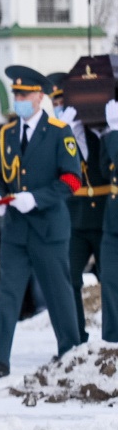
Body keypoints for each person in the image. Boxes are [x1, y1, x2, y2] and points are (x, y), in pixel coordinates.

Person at [0, 65, 86, 376]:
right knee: (9, 292)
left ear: (40, 97)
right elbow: (0, 177)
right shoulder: (6, 134)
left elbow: (72, 180)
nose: (19, 99)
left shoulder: (58, 132)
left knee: (58, 293)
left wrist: (37, 198)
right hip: (15, 229)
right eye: (15, 94)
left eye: (24, 94)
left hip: (48, 228)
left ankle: (70, 353)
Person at [51, 74, 98, 345]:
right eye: (55, 101)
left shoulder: (96, 129)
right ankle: (74, 339)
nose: (59, 105)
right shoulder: (54, 134)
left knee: (111, 282)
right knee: (68, 279)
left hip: (103, 215)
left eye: (63, 100)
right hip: (72, 217)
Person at [99, 98, 118, 342]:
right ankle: (112, 343)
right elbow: (106, 171)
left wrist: (114, 133)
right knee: (111, 281)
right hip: (113, 219)